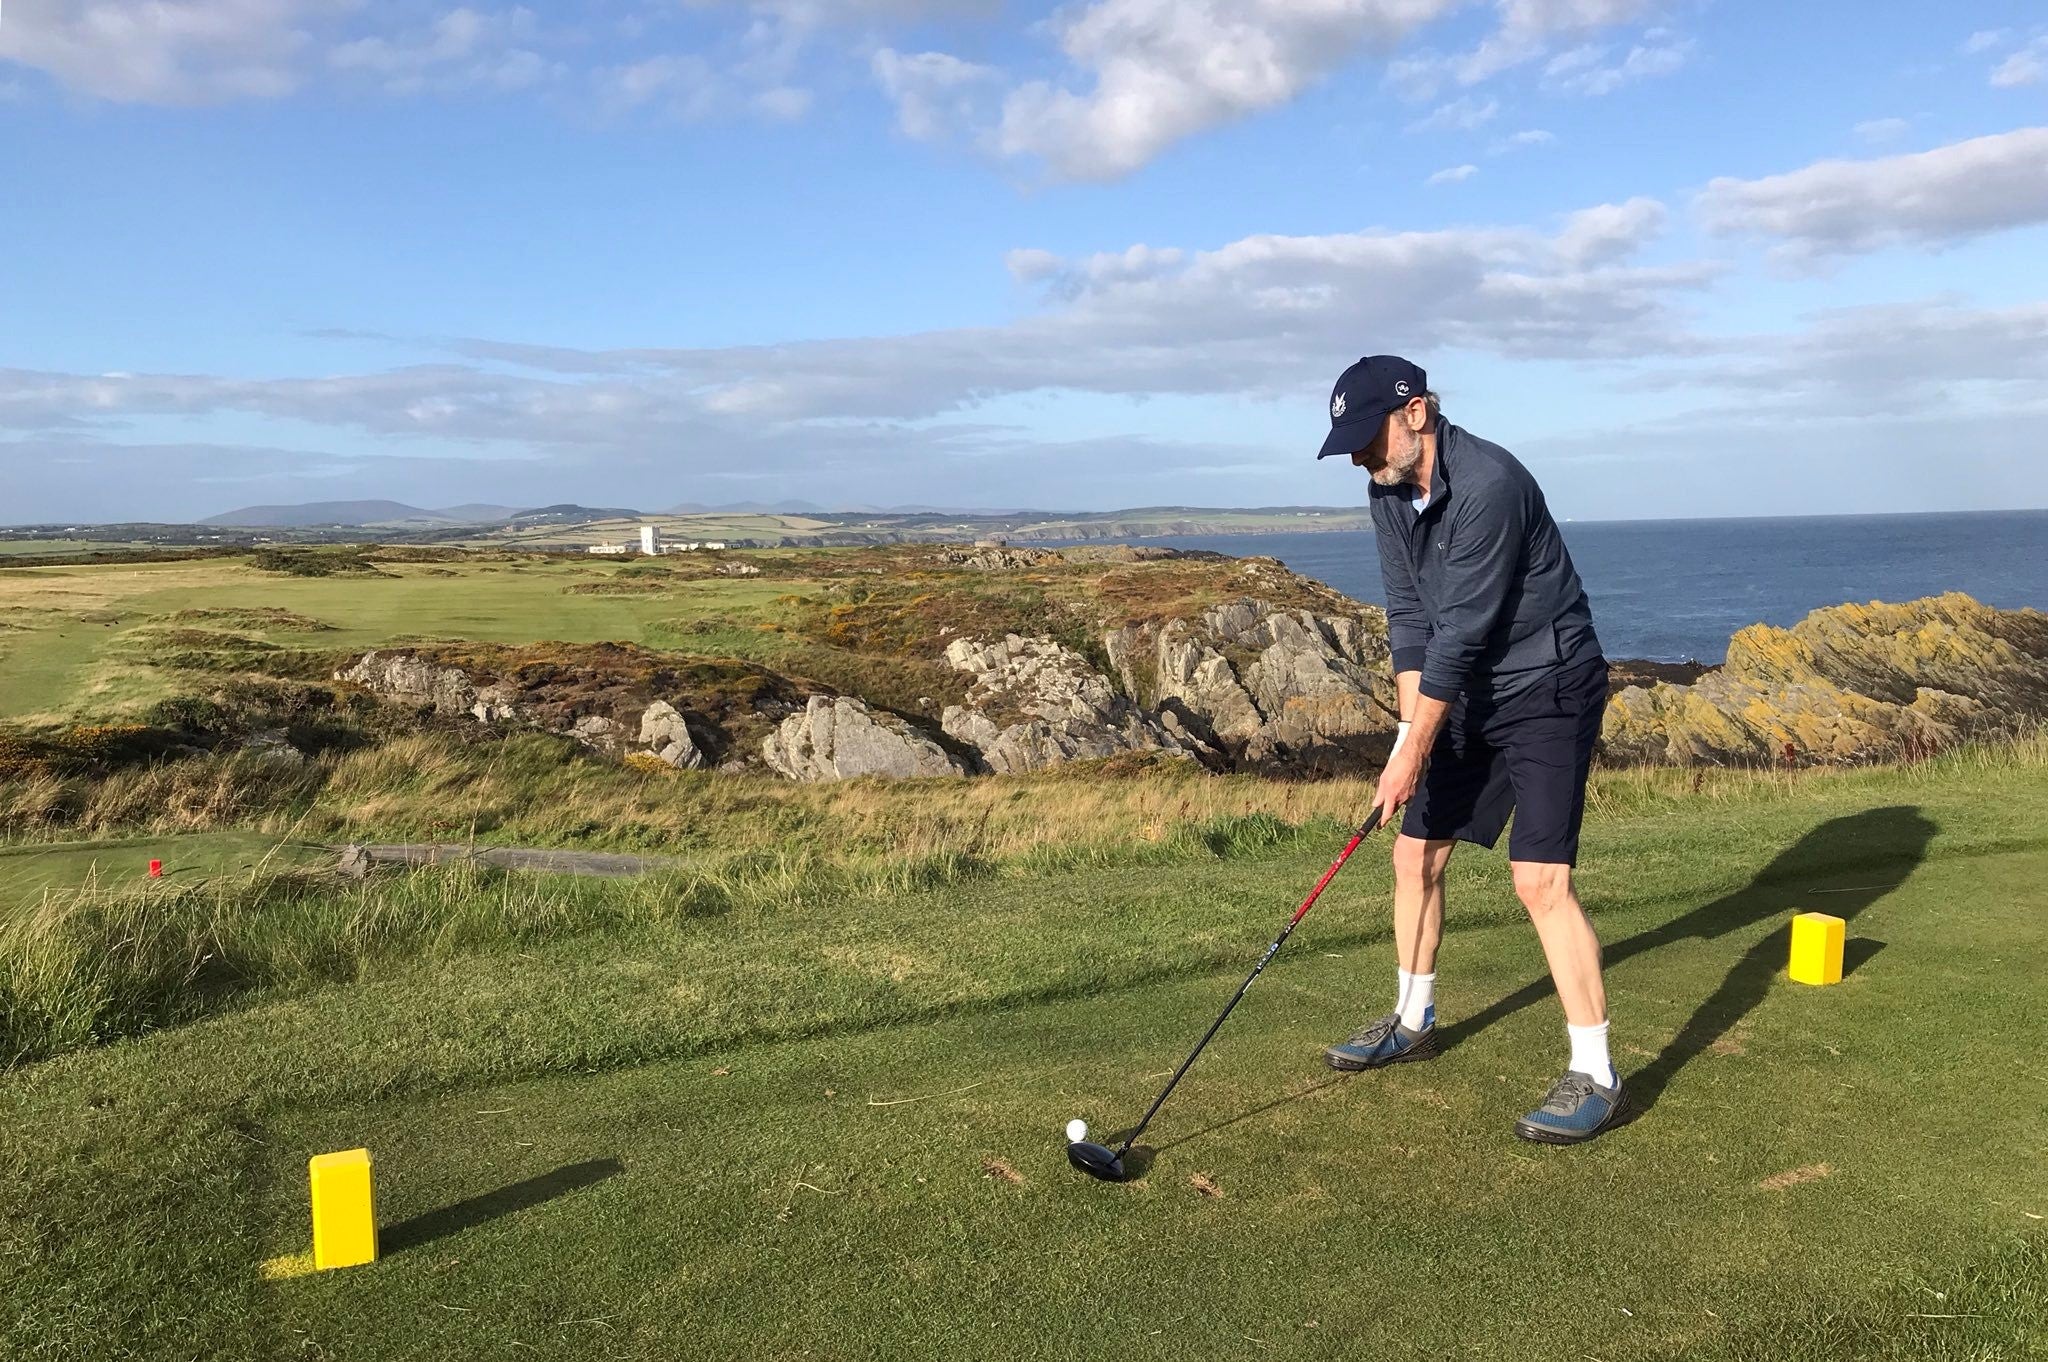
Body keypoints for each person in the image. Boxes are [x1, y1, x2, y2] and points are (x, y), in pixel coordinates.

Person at [1315, 355, 1624, 1143]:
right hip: (1469, 689)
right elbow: (1410, 618)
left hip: (1549, 682)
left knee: (1539, 880)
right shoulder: (1387, 489)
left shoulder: (1490, 484)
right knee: (1412, 857)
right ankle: (1411, 1022)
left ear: (1415, 412)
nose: (1359, 455)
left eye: (1366, 436)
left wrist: (1412, 752)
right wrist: (1403, 736)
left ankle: (1595, 1071)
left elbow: (1462, 631)